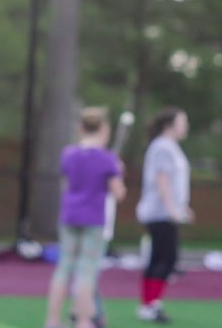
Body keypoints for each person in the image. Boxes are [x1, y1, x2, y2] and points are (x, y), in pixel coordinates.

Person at [45, 108, 126, 328]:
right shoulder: (107, 159)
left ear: (81, 128)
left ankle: (52, 321)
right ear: (104, 129)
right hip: (93, 218)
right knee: (86, 271)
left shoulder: (68, 154)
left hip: (69, 215)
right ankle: (83, 321)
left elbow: (70, 179)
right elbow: (118, 193)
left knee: (64, 266)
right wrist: (118, 171)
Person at [135, 107, 194, 323]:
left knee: (158, 257)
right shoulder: (162, 147)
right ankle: (151, 304)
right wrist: (171, 209)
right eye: (182, 122)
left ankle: (149, 304)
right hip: (160, 213)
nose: (185, 126)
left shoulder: (171, 147)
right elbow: (162, 179)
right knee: (167, 258)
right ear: (169, 125)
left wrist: (182, 206)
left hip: (166, 211)